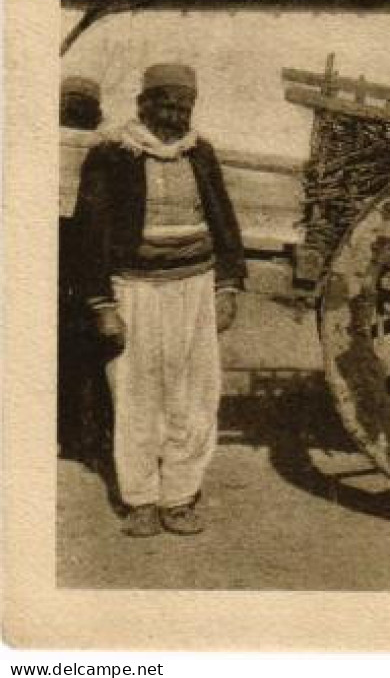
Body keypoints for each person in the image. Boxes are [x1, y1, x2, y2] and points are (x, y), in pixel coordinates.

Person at [73, 64, 245, 537]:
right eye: (167, 103)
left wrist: (227, 287)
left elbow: (223, 222)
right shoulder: (114, 154)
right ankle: (141, 500)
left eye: (185, 105)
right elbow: (89, 235)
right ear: (143, 104)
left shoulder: (200, 153)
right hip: (134, 291)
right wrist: (102, 304)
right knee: (135, 394)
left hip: (195, 288)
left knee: (194, 396)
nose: (176, 113)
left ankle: (180, 497)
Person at [59, 76, 111, 466]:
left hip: (83, 262)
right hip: (75, 262)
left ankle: (84, 435)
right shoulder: (104, 145)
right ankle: (82, 435)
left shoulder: (105, 149)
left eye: (78, 104)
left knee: (83, 349)